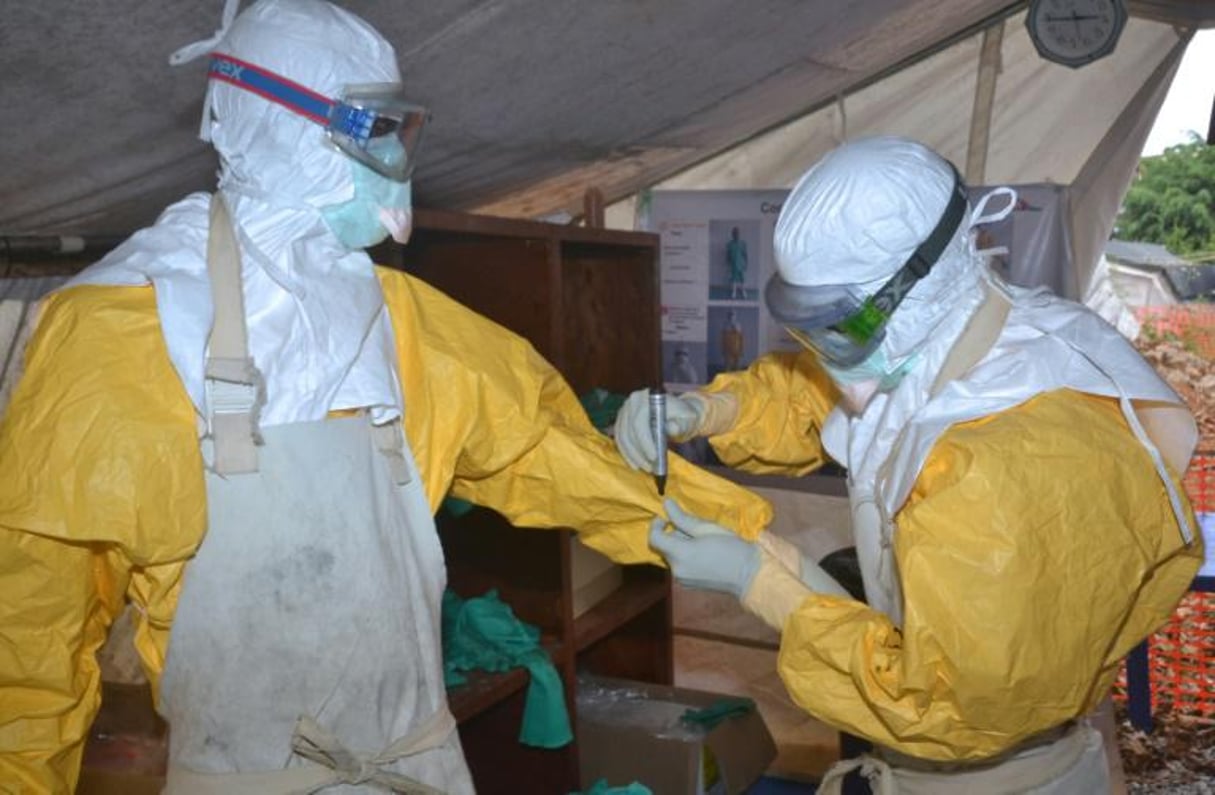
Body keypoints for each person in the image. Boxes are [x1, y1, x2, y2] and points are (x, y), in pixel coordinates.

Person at [0, 2, 772, 791]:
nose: (396, 155)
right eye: (375, 130)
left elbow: (545, 446)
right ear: (290, 133)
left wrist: (737, 548)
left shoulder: (399, 319)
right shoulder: (124, 328)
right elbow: (27, 645)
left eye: (400, 129)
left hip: (418, 768)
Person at [614, 136, 1202, 792]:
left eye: (839, 323)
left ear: (921, 282)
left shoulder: (1002, 466)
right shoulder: (967, 331)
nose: (823, 352)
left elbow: (946, 707)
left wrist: (762, 581)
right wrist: (704, 411)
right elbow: (818, 394)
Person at [726, 225, 748, 299]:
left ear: (739, 234)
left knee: (742, 278)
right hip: (733, 264)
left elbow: (745, 254)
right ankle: (734, 292)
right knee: (733, 278)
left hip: (741, 264)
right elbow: (728, 254)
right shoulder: (730, 244)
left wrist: (746, 264)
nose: (736, 234)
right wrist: (728, 262)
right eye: (734, 233)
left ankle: (743, 291)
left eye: (737, 233)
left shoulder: (742, 244)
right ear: (732, 234)